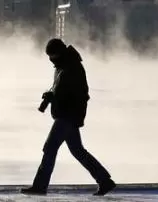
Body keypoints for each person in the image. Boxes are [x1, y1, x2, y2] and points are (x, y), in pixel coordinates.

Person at [22, 38, 116, 196]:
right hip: (67, 114)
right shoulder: (63, 66)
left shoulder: (72, 67)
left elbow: (76, 94)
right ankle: (105, 181)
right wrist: (53, 95)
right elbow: (62, 89)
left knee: (50, 147)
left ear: (58, 53)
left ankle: (40, 186)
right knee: (78, 151)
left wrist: (54, 97)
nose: (50, 59)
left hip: (68, 115)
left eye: (51, 55)